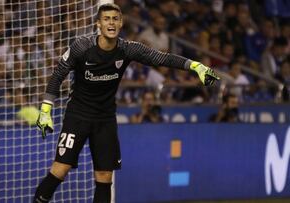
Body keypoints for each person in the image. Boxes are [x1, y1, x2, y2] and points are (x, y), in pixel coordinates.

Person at [33, 3, 219, 203]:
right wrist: (45, 110)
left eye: (115, 19)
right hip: (77, 116)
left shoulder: (127, 49)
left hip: (105, 119)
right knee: (60, 170)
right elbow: (58, 75)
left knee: (104, 177)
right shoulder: (82, 46)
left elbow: (161, 58)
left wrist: (196, 66)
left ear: (120, 23)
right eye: (106, 19)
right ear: (98, 24)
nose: (111, 23)